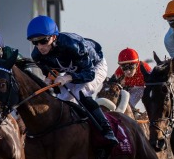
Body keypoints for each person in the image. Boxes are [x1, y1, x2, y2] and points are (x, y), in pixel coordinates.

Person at [26, 15, 117, 147]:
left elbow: (89, 74)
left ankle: (107, 130)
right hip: (73, 70)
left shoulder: (72, 45)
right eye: (35, 42)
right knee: (62, 98)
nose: (40, 46)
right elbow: (50, 75)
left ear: (54, 37)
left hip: (94, 66)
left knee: (81, 92)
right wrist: (49, 81)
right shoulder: (37, 56)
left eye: (43, 41)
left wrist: (67, 77)